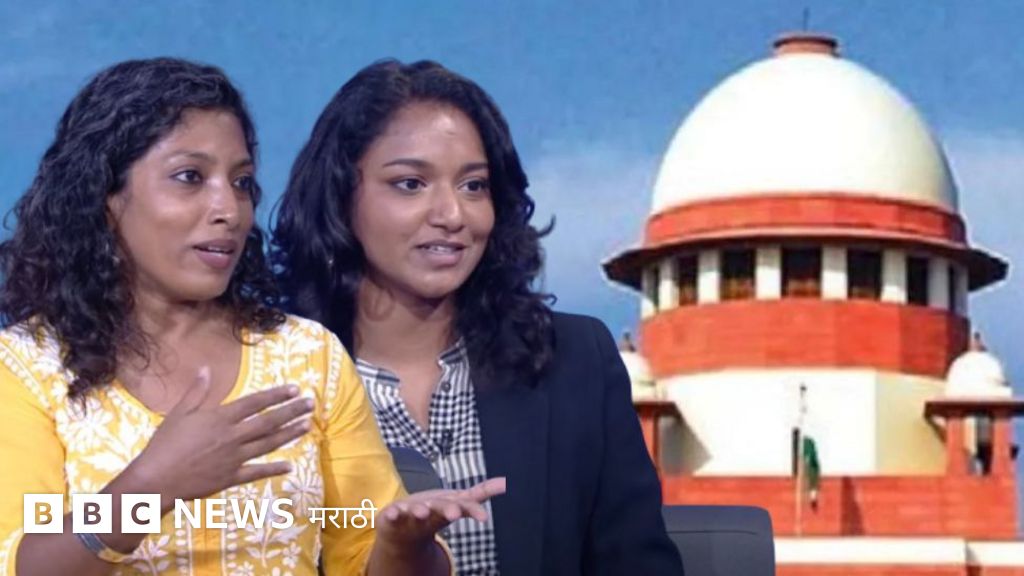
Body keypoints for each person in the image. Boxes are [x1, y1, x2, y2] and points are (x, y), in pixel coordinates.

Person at [0, 57, 503, 576]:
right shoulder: (26, 368)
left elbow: (359, 547)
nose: (229, 209)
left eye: (241, 182)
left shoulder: (308, 357)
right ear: (105, 196)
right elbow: (18, 561)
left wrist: (405, 545)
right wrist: (150, 487)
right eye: (190, 177)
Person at [272, 60, 684, 575]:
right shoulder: (271, 381)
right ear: (340, 199)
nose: (452, 215)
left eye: (473, 186)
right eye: (410, 184)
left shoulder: (576, 361)